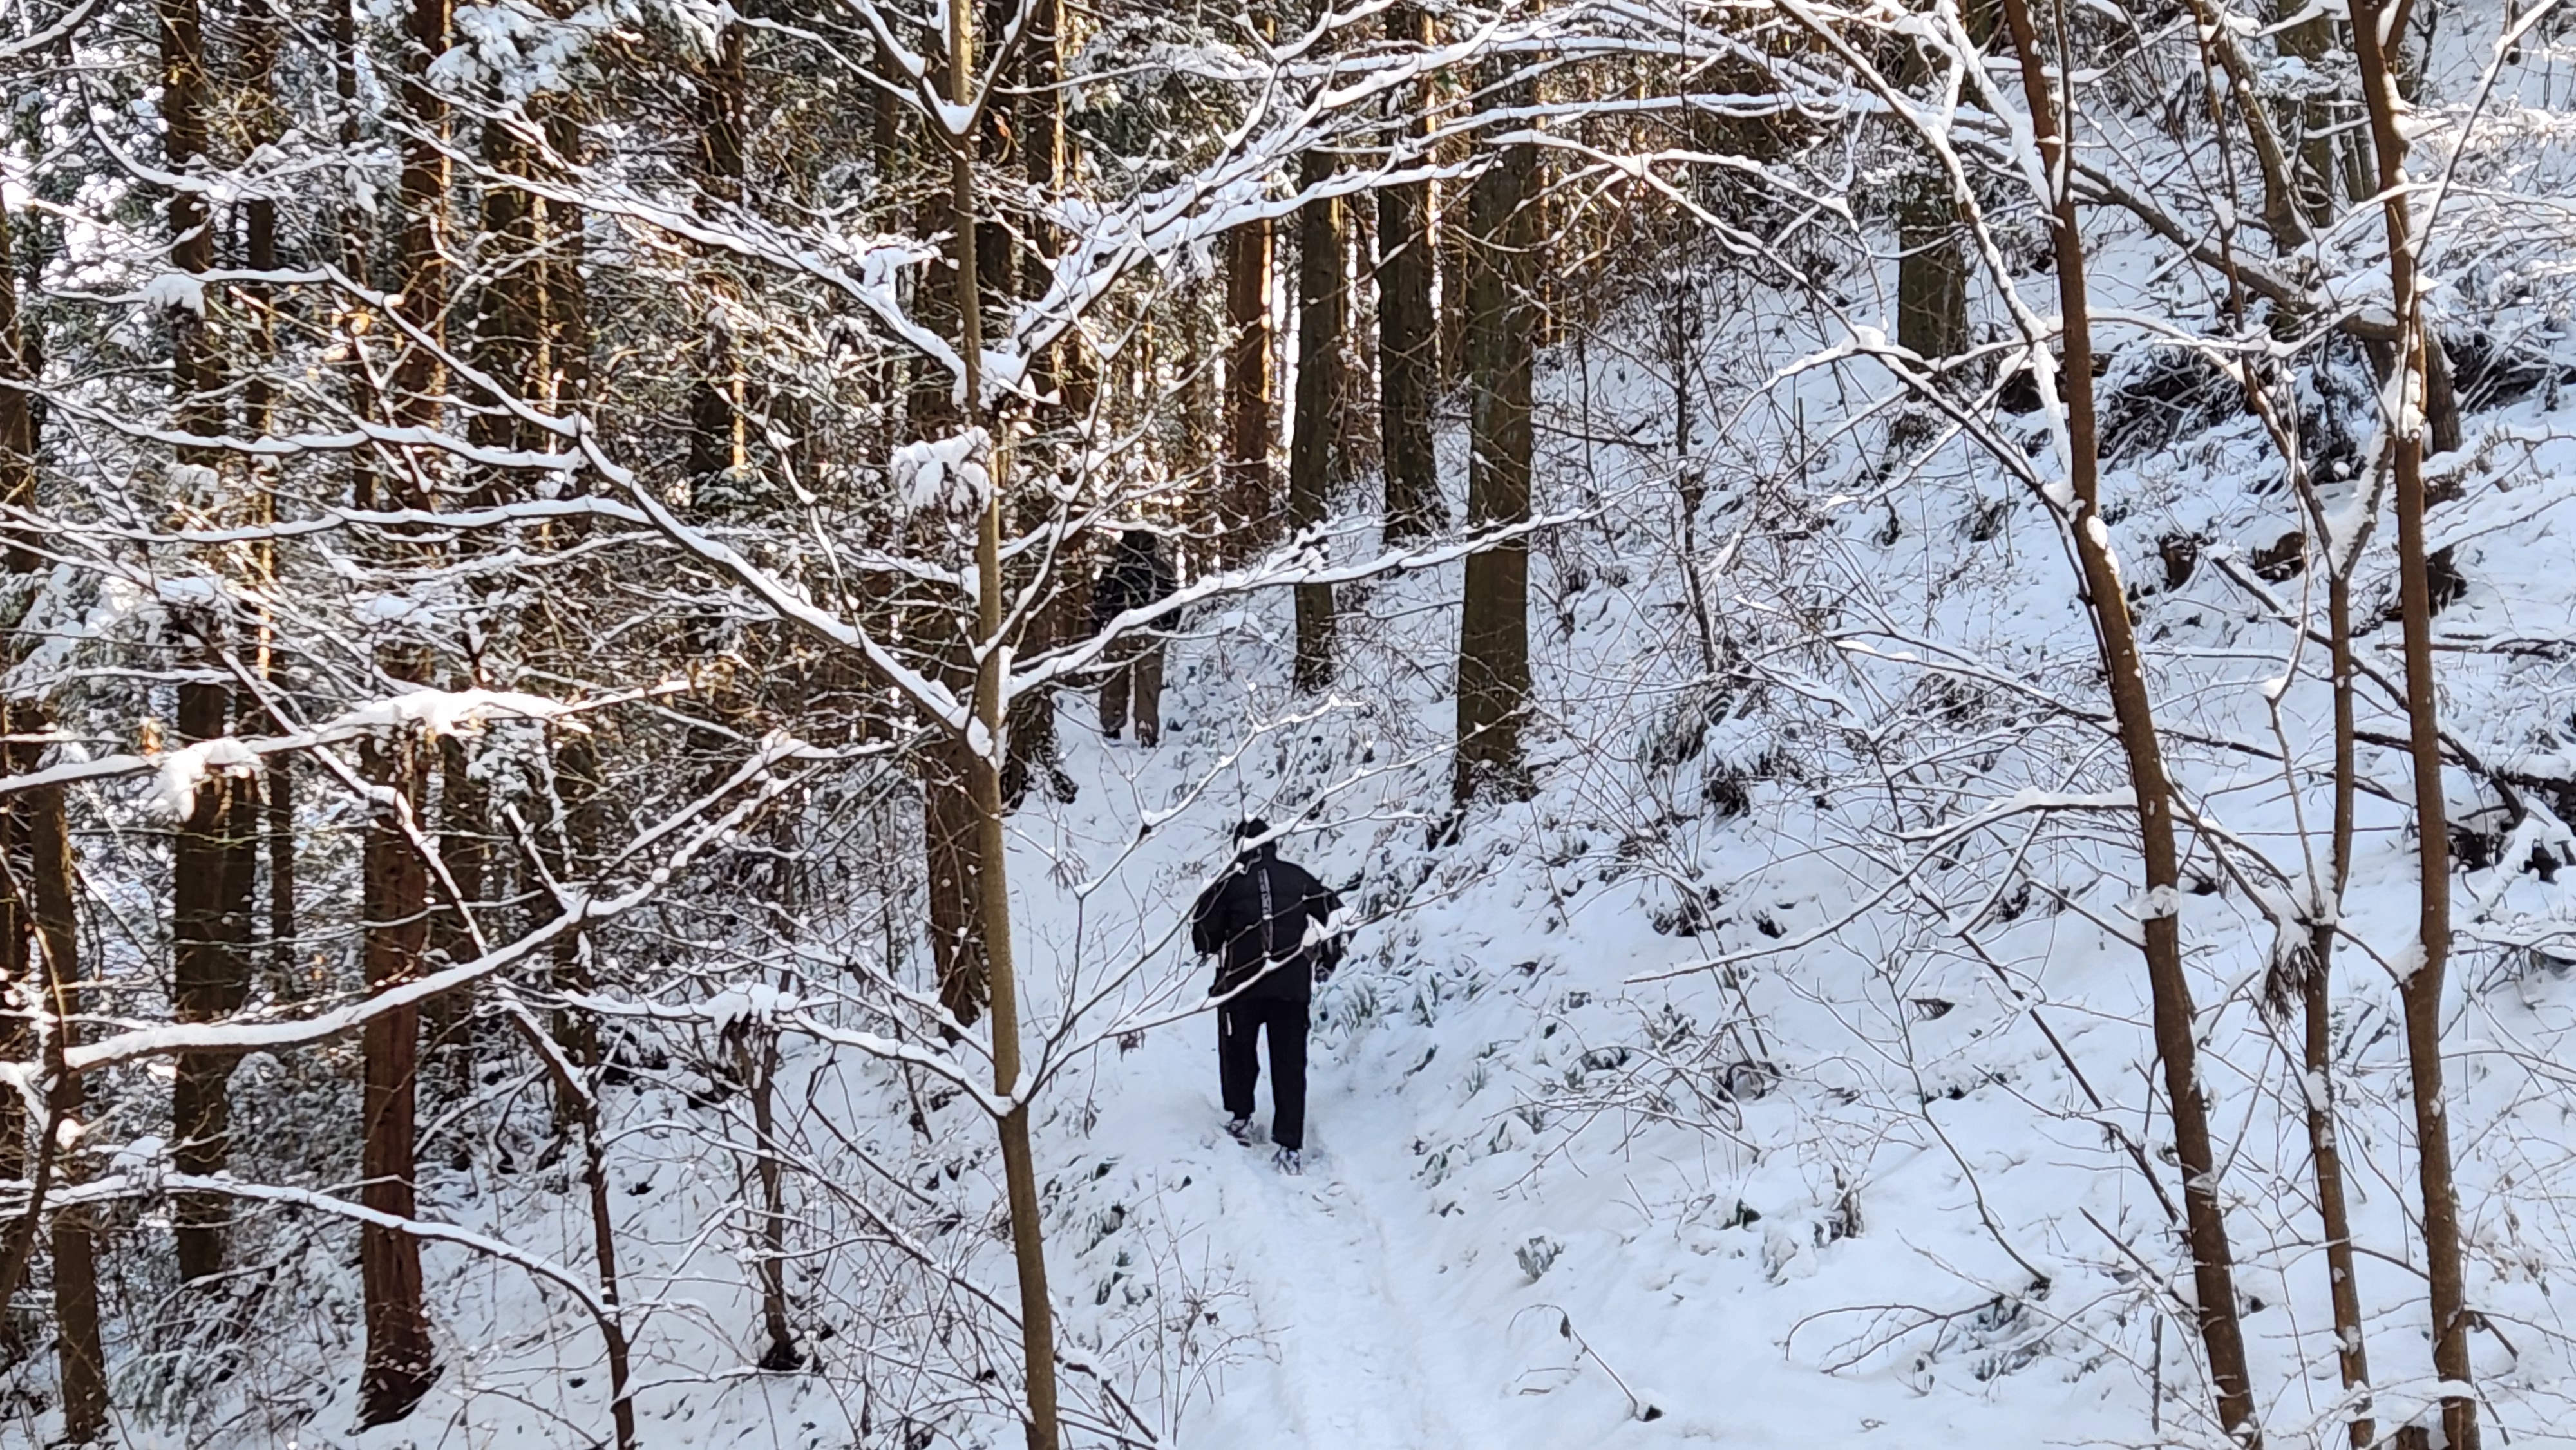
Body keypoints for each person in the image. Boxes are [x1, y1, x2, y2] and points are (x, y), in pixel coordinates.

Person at [1190, 819, 1345, 1174]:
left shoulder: (1226, 886)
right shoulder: (1298, 878)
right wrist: (1325, 960)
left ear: (1239, 848)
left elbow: (1206, 940)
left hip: (1242, 985)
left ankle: (1241, 1117)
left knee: (1238, 1052)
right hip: (1291, 985)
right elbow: (1337, 916)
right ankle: (1290, 1144)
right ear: (1273, 844)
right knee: (1290, 1063)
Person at [1092, 528, 1175, 746]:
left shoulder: (1115, 569)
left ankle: (1112, 727)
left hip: (1119, 630)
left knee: (1114, 680)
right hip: (1151, 634)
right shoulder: (1161, 570)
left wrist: (1098, 628)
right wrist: (1167, 628)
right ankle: (1146, 732)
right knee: (1148, 685)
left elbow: (1100, 600)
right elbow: (1175, 602)